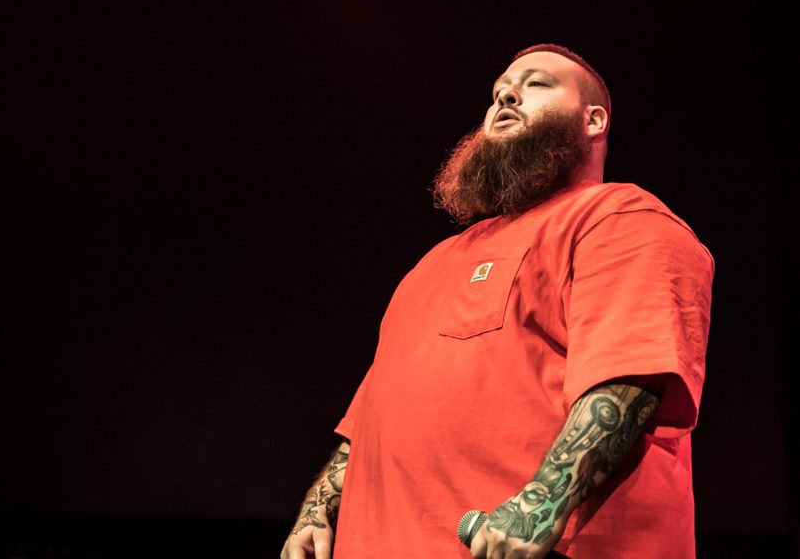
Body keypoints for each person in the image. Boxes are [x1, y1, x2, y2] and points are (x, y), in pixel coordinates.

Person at [280, 43, 715, 559]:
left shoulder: (620, 218)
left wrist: (541, 504)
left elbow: (631, 376)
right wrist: (318, 510)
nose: (506, 95)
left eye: (536, 84)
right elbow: (374, 415)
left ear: (593, 119)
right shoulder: (433, 263)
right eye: (498, 91)